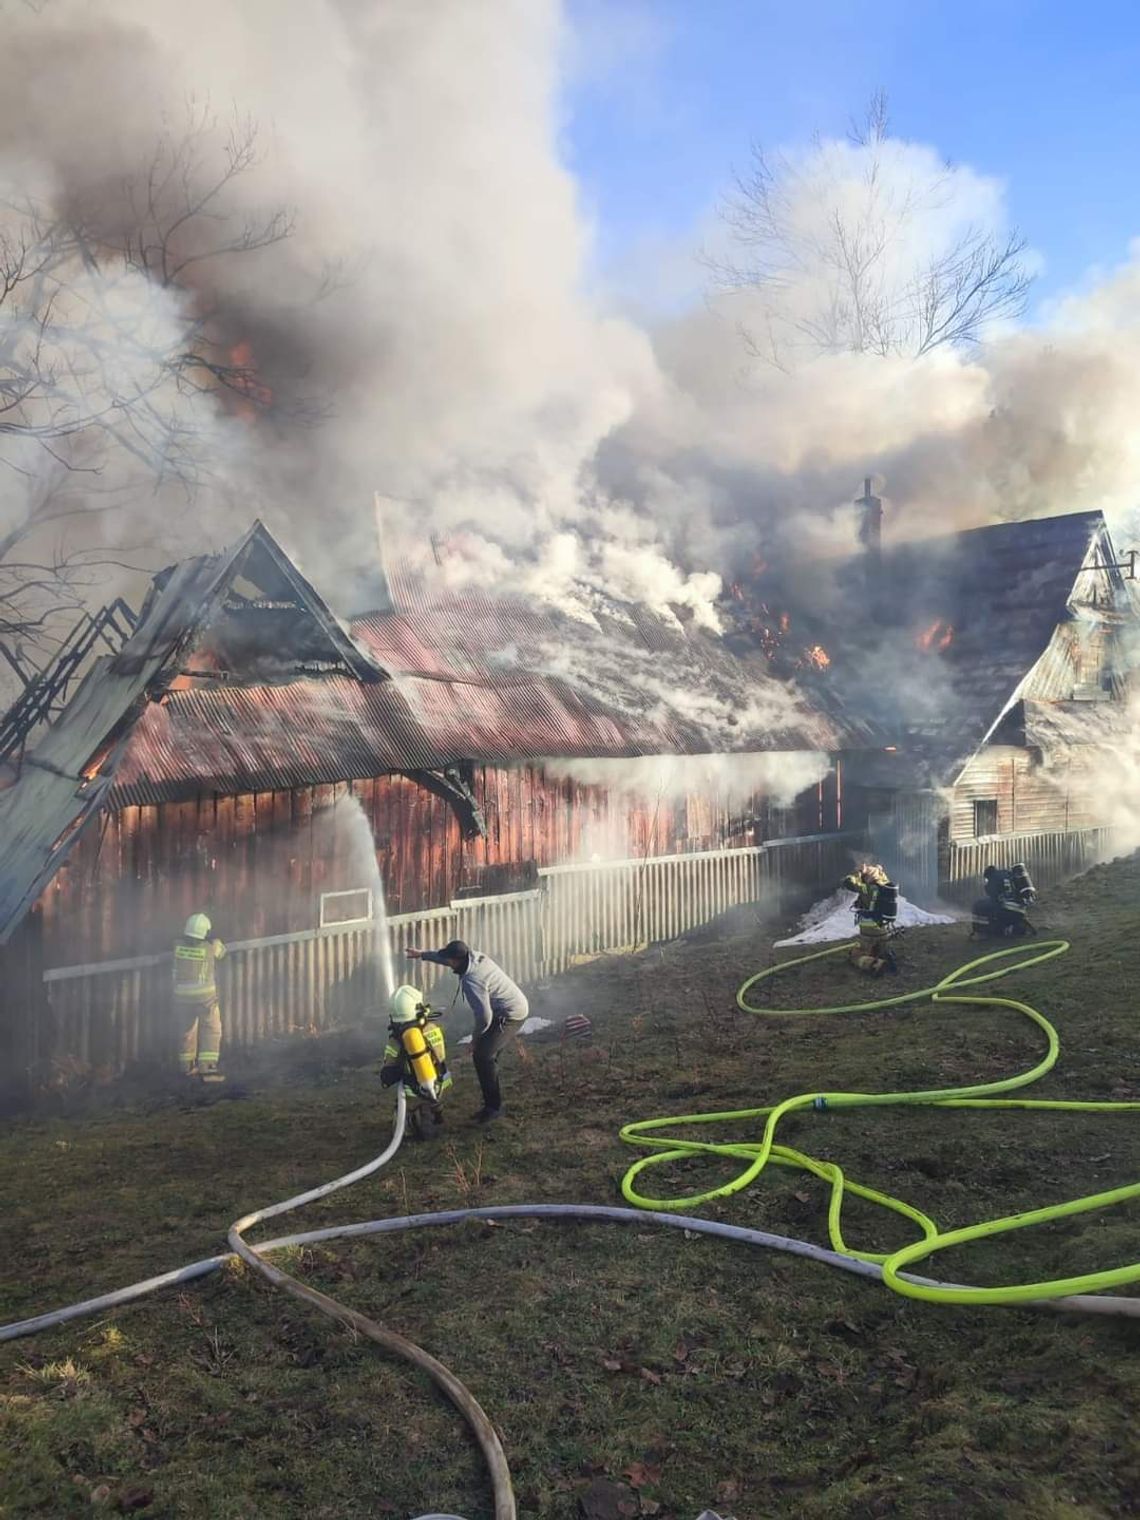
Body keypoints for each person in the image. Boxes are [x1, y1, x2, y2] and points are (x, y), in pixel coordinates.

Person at [406, 940, 528, 1123]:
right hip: (501, 1008)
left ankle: (494, 1108)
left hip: (511, 1014)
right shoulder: (471, 957)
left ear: (457, 960)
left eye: (450, 960)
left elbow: (484, 1018)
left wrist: (474, 1041)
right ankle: (492, 1084)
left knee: (482, 1056)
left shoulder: (473, 980)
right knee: (488, 1056)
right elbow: (444, 959)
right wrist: (422, 954)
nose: (448, 963)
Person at [381, 984, 452, 1139]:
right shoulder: (432, 1028)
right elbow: (440, 1056)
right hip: (439, 1084)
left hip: (413, 1093)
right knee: (430, 1117)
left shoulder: (396, 1041)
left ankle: (412, 1121)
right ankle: (429, 1117)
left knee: (410, 1129)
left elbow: (387, 1075)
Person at [172, 913, 226, 1081]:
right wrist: (216, 940)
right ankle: (208, 1069)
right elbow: (222, 952)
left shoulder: (177, 946)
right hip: (205, 999)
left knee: (187, 1031)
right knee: (211, 1029)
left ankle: (187, 1067)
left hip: (181, 999)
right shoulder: (210, 947)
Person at [841, 864, 899, 976]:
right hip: (882, 929)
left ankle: (875, 964)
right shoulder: (885, 886)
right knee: (880, 947)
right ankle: (885, 954)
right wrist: (878, 869)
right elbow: (880, 875)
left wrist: (857, 873)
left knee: (855, 955)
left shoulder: (868, 888)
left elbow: (849, 883)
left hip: (868, 929)